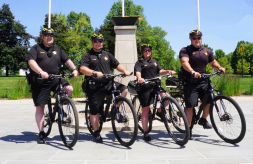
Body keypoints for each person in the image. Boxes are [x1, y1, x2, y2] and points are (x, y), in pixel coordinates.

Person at [26, 27, 79, 144]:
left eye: (51, 35)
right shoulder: (36, 48)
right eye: (47, 35)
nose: (49, 37)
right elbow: (31, 62)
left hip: (55, 78)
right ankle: (41, 133)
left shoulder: (58, 49)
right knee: (40, 107)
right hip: (40, 80)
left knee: (69, 89)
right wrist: (40, 72)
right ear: (42, 37)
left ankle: (60, 105)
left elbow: (67, 60)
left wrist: (74, 69)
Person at [79, 32, 130, 143]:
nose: (98, 43)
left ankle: (115, 108)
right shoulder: (88, 55)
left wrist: (124, 71)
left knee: (124, 89)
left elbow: (117, 64)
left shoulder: (107, 55)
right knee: (95, 111)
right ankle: (96, 133)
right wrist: (93, 72)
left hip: (108, 83)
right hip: (94, 85)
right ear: (92, 43)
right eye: (96, 41)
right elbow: (82, 69)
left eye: (100, 41)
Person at [179, 29, 226, 140]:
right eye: (194, 38)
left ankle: (203, 119)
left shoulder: (207, 51)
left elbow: (212, 62)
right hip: (190, 82)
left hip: (204, 81)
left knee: (210, 101)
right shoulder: (185, 50)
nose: (197, 40)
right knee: (189, 106)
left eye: (199, 37)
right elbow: (184, 62)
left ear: (201, 38)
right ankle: (189, 129)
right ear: (191, 39)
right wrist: (192, 71)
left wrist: (219, 67)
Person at [134, 43, 176, 141]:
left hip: (155, 85)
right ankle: (145, 132)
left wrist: (168, 71)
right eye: (145, 50)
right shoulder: (139, 62)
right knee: (146, 109)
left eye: (149, 50)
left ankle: (160, 111)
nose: (147, 52)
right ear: (142, 52)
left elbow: (160, 71)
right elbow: (138, 72)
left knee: (167, 97)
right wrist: (139, 78)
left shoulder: (154, 61)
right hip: (145, 87)